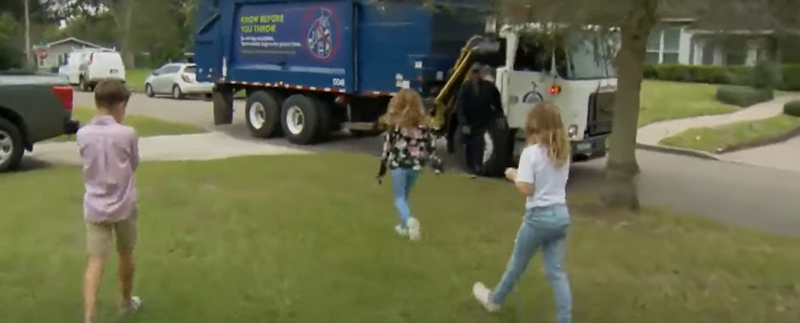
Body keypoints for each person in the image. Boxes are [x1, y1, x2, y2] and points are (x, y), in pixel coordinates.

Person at [472, 102, 572, 323]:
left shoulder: (531, 154)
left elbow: (527, 188)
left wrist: (513, 175)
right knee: (556, 272)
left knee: (517, 264)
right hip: (561, 217)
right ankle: (565, 319)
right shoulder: (563, 152)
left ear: (534, 129)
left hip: (538, 218)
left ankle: (494, 300)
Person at [77, 79, 142, 323]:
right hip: (124, 206)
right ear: (119, 105)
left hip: (94, 206)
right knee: (126, 253)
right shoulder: (127, 134)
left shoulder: (82, 135)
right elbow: (134, 163)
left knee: (95, 261)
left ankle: (89, 315)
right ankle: (125, 302)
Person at [377, 89, 444, 241]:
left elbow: (387, 148)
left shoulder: (395, 126)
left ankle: (409, 220)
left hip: (399, 165)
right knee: (406, 196)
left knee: (399, 197)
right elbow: (431, 148)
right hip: (416, 167)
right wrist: (436, 166)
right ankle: (402, 227)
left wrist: (382, 171)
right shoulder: (424, 127)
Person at [456, 63, 504, 176]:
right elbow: (461, 106)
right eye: (474, 72)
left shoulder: (489, 87)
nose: (476, 75)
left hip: (482, 121)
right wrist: (463, 122)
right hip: (469, 120)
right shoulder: (466, 88)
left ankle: (477, 166)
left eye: (478, 73)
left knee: (479, 144)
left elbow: (497, 102)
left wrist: (498, 116)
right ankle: (470, 166)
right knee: (469, 145)